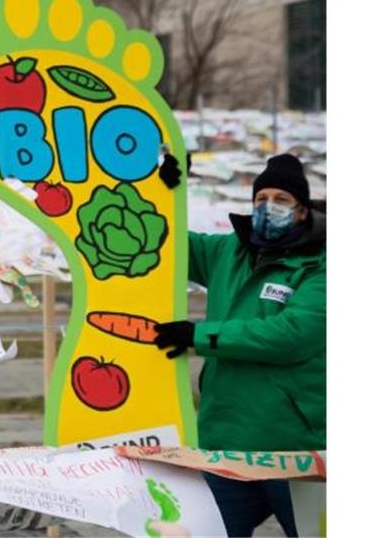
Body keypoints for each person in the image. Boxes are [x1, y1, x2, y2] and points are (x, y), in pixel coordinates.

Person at [154, 154, 325, 537]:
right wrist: (161, 190)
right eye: (261, 197)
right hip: (224, 442)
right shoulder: (227, 251)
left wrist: (198, 336)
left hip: (294, 450)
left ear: (301, 211)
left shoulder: (322, 265)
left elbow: (292, 335)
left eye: (281, 199)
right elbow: (161, 243)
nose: (269, 207)